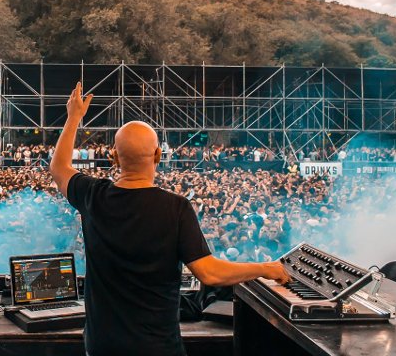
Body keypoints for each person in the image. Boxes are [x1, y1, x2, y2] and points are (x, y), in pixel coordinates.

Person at [49, 82, 290, 356]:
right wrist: (263, 268)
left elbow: (59, 168)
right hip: (156, 348)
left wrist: (74, 118)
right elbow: (209, 273)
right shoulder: (176, 208)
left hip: (102, 346)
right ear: (158, 155)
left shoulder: (93, 196)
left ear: (114, 157)